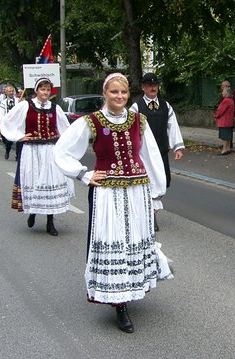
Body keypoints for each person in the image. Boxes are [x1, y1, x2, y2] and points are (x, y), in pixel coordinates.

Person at [54, 73, 167, 333]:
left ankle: (130, 287)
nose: (119, 97)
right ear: (105, 93)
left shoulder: (140, 121)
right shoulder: (91, 122)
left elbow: (149, 157)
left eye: (124, 93)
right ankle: (120, 304)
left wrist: (155, 193)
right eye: (114, 92)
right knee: (114, 239)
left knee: (133, 240)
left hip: (137, 191)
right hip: (108, 192)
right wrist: (84, 173)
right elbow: (61, 150)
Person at [0, 77, 74, 236]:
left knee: (50, 182)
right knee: (34, 182)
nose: (45, 92)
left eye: (48, 90)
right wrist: (19, 136)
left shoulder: (55, 108)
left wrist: (66, 147)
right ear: (36, 90)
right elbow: (8, 121)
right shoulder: (26, 105)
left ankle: (50, 222)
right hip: (32, 150)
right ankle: (33, 212)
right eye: (43, 89)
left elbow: (65, 129)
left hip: (50, 150)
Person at [129, 72, 185, 231]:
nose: (153, 88)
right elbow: (131, 130)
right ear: (143, 88)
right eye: (149, 85)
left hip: (161, 150)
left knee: (163, 180)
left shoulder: (166, 105)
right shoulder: (136, 107)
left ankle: (150, 211)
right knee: (146, 182)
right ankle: (150, 215)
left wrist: (178, 146)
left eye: (155, 85)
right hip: (143, 153)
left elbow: (172, 126)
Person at [0, 85, 22, 160]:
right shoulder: (3, 103)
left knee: (18, 140)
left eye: (12, 91)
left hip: (17, 123)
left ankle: (18, 155)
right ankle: (7, 151)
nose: (11, 93)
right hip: (9, 124)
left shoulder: (18, 100)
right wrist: (3, 124)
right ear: (6, 92)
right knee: (9, 141)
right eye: (9, 91)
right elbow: (2, 115)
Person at [214, 87, 235, 155]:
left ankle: (224, 149)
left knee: (224, 136)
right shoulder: (231, 100)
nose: (222, 93)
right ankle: (228, 148)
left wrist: (216, 115)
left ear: (226, 93)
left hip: (224, 121)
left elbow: (220, 110)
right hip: (229, 121)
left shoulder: (226, 101)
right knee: (228, 136)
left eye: (223, 92)